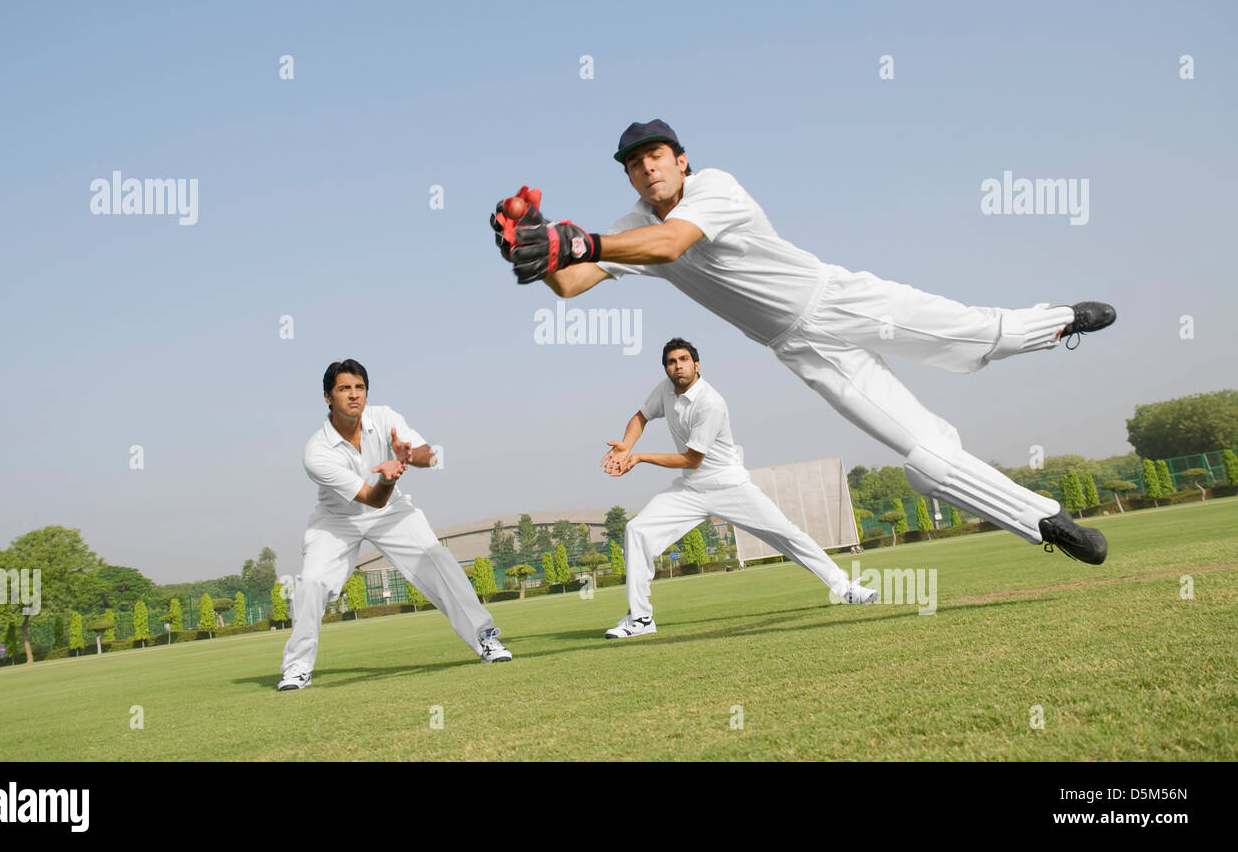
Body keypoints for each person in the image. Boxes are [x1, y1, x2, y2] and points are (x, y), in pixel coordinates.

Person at [490, 120, 1112, 565]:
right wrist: (529, 248)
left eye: (656, 154)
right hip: (803, 350)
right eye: (633, 162)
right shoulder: (629, 226)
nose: (646, 166)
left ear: (681, 160)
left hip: (838, 298)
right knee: (924, 455)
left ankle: (1058, 321)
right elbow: (571, 283)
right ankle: (1045, 520)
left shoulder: (714, 188)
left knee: (978, 332)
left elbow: (671, 244)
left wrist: (579, 241)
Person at [598, 337, 876, 638]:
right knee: (636, 531)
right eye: (671, 362)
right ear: (666, 368)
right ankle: (640, 619)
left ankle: (846, 589)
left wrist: (639, 457)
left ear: (696, 364)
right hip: (690, 490)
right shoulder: (666, 389)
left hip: (728, 486)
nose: (677, 366)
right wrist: (626, 445)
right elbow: (641, 416)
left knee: (787, 534)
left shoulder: (710, 403)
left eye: (683, 360)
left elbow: (692, 459)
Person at [277, 359, 511, 691]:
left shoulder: (386, 417)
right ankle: (297, 668)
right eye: (344, 389)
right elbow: (373, 498)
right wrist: (389, 474)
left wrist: (407, 455)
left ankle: (485, 639)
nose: (354, 395)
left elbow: (430, 456)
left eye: (360, 388)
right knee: (312, 582)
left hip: (393, 513)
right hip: (337, 521)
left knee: (438, 560)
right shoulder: (316, 451)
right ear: (328, 397)